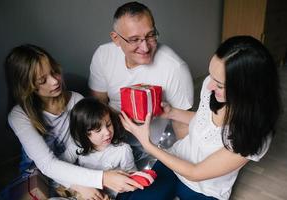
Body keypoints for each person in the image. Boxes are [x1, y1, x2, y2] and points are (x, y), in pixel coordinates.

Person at [117, 35, 281, 200]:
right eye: (211, 76)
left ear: (247, 89)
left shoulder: (256, 135)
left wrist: (148, 144)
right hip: (175, 161)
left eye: (220, 84)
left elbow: (196, 173)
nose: (209, 85)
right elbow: (204, 120)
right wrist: (172, 112)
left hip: (206, 189)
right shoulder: (211, 88)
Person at [4, 44, 142, 199]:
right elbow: (47, 165)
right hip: (39, 173)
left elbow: (81, 143)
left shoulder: (76, 100)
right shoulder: (19, 116)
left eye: (54, 72)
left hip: (75, 167)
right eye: (43, 80)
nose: (54, 81)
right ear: (26, 86)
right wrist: (88, 183)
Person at [88, 1, 194, 161]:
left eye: (150, 35)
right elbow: (97, 104)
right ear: (116, 38)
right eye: (134, 39)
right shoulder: (103, 55)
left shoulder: (175, 68)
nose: (145, 47)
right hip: (110, 138)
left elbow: (182, 125)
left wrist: (184, 165)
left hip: (154, 146)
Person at [60, 97, 136, 199]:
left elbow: (132, 175)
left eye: (108, 125)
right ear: (84, 133)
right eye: (98, 130)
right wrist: (79, 187)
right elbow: (58, 167)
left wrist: (128, 184)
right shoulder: (77, 147)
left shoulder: (123, 150)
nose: (107, 133)